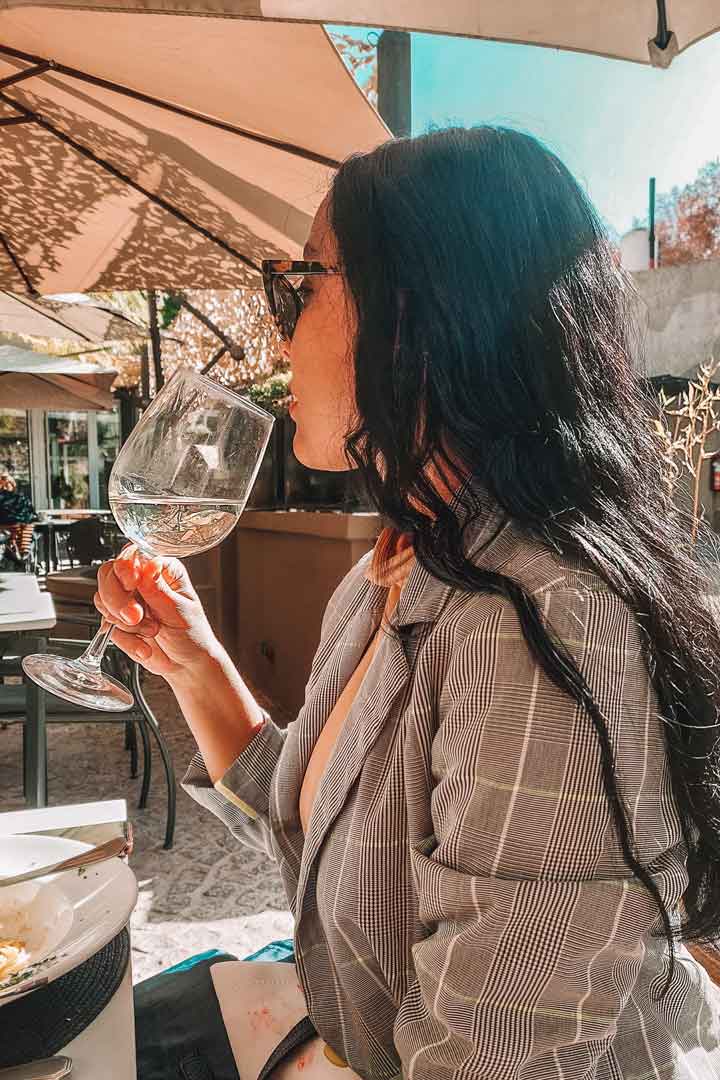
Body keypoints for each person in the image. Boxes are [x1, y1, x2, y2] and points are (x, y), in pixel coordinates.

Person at [95, 127, 720, 1079]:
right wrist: (192, 662)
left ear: (415, 320)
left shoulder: (540, 627)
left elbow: (492, 1062)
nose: (279, 329)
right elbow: (318, 828)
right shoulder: (398, 568)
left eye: (299, 288)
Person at [0, 469, 38, 567]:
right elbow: (32, 513)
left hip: (7, 530)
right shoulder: (20, 497)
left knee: (23, 529)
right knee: (28, 529)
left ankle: (19, 553)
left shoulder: (19, 498)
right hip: (17, 528)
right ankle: (23, 555)